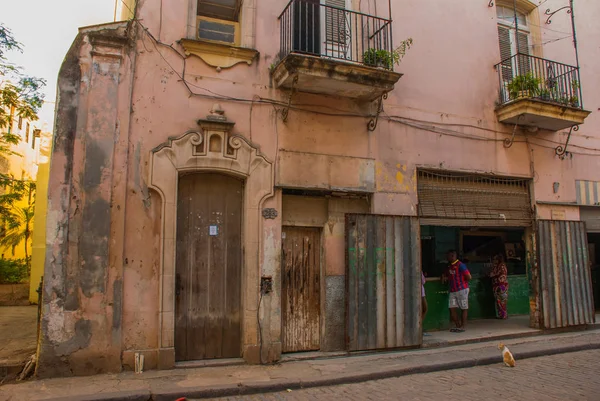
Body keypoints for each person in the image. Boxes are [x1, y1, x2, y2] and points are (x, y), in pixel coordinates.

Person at [441, 250, 471, 332]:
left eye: (448, 256)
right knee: (452, 307)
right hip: (453, 291)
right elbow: (447, 274)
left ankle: (463, 326)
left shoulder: (461, 265)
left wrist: (461, 282)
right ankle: (458, 325)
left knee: (464, 307)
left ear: (453, 256)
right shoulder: (449, 266)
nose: (447, 257)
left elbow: (469, 277)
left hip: (462, 290)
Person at [489, 253, 509, 319]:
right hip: (496, 285)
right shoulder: (496, 266)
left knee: (502, 300)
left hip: (501, 285)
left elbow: (501, 275)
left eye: (495, 259)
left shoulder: (502, 266)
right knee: (498, 301)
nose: (494, 260)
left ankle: (504, 315)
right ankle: (501, 314)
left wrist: (494, 275)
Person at [421, 271, 430, 336]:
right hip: (421, 293)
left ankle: (419, 326)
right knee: (424, 308)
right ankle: (419, 327)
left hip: (421, 293)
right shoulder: (418, 270)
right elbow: (423, 281)